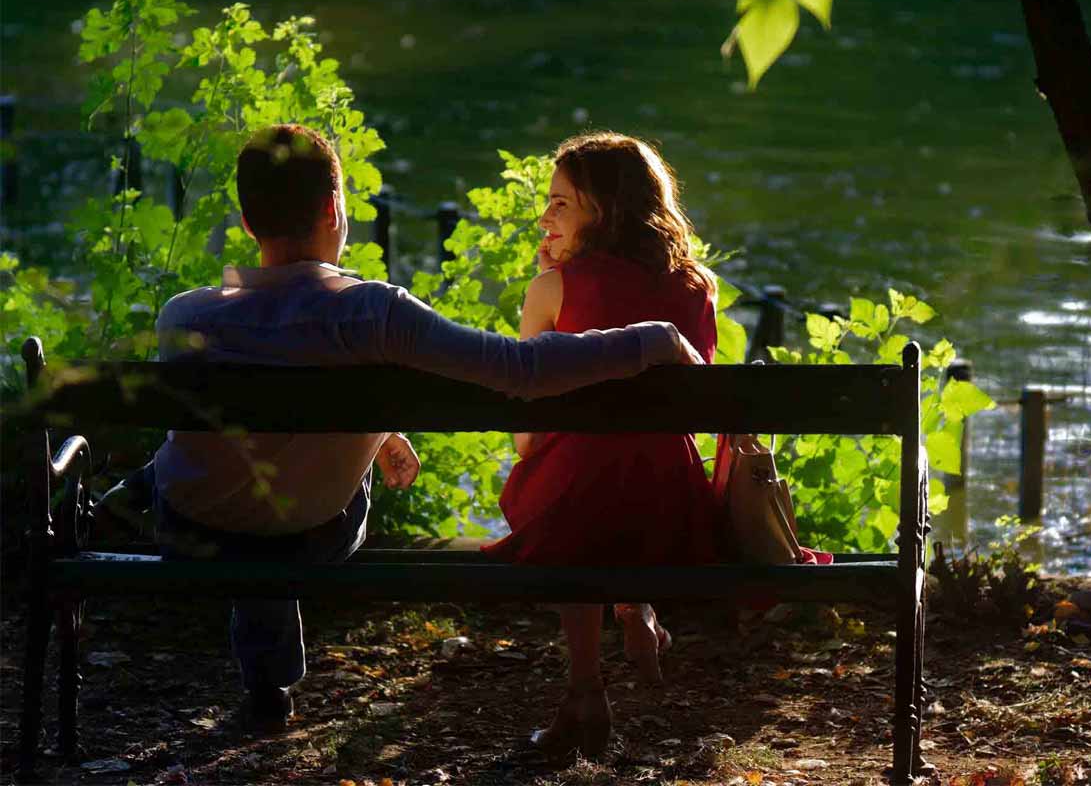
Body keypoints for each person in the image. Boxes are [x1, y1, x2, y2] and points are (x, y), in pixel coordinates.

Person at [146, 124, 703, 731]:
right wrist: (650, 338)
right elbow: (522, 369)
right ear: (336, 209)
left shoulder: (185, 315)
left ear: (248, 222)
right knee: (280, 502)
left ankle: (258, 676)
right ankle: (265, 673)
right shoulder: (373, 311)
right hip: (313, 529)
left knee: (231, 480)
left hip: (189, 526)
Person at [482, 131, 721, 758]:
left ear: (604, 209)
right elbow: (684, 416)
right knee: (622, 464)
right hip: (671, 509)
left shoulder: (552, 291)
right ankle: (635, 604)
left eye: (561, 202)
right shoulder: (698, 288)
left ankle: (586, 687)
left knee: (566, 478)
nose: (545, 216)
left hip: (577, 511)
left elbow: (528, 442)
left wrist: (550, 287)